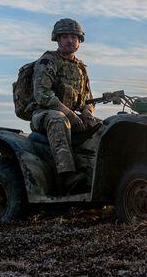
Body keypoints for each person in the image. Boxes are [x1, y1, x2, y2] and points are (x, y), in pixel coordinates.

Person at [30, 18, 98, 194]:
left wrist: (87, 113)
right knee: (58, 120)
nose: (70, 40)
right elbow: (42, 94)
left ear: (79, 41)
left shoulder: (81, 68)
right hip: (45, 114)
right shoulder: (48, 61)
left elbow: (88, 98)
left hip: (73, 115)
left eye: (74, 37)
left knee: (104, 126)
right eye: (65, 36)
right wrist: (69, 114)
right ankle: (67, 177)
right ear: (58, 39)